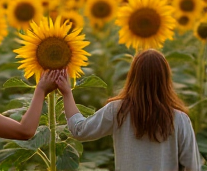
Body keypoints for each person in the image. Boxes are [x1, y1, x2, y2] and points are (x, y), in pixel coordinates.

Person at [56, 49, 202, 171]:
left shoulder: (118, 110)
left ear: (133, 76)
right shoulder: (180, 119)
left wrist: (67, 93)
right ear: (166, 79)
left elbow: (79, 130)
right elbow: (193, 167)